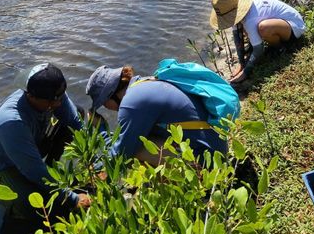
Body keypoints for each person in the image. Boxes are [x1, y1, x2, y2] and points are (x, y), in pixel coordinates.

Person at [0, 63, 91, 234]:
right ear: (31, 96)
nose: (58, 102)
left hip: (30, 149)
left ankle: (51, 172)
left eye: (61, 96)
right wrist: (73, 199)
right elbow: (35, 171)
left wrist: (96, 163)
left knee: (75, 114)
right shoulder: (11, 122)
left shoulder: (53, 94)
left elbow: (76, 124)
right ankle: (16, 210)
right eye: (52, 100)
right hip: (2, 169)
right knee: (38, 210)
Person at [86, 65, 227, 166]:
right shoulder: (146, 82)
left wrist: (101, 129)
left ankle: (187, 184)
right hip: (217, 147)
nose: (106, 108)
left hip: (210, 160)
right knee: (137, 139)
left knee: (135, 151)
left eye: (104, 103)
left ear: (110, 96)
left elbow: (120, 154)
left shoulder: (131, 104)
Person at [209, 0, 306, 83]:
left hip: (294, 26)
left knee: (264, 28)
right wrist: (241, 62)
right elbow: (237, 34)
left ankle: (280, 48)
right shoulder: (233, 6)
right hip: (279, 23)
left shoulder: (251, 17)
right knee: (250, 28)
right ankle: (269, 44)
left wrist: (245, 72)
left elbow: (259, 49)